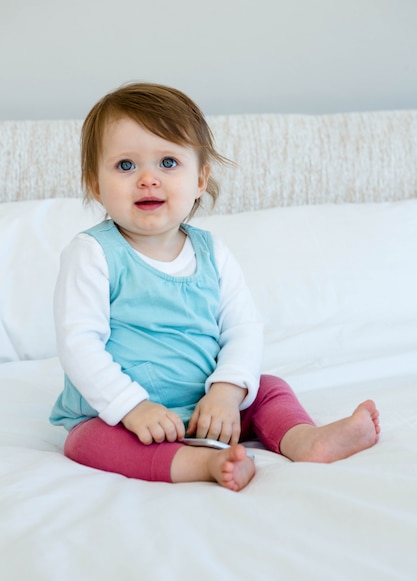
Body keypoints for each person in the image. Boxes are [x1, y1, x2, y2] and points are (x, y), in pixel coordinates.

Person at [50, 82, 380, 491]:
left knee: (268, 388)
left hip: (209, 407)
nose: (148, 179)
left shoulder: (212, 252)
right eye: (125, 166)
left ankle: (304, 440)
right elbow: (78, 344)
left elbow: (242, 328)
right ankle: (202, 464)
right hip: (125, 416)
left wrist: (225, 392)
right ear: (96, 185)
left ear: (201, 179)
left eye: (168, 163)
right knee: (86, 441)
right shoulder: (93, 253)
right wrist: (131, 407)